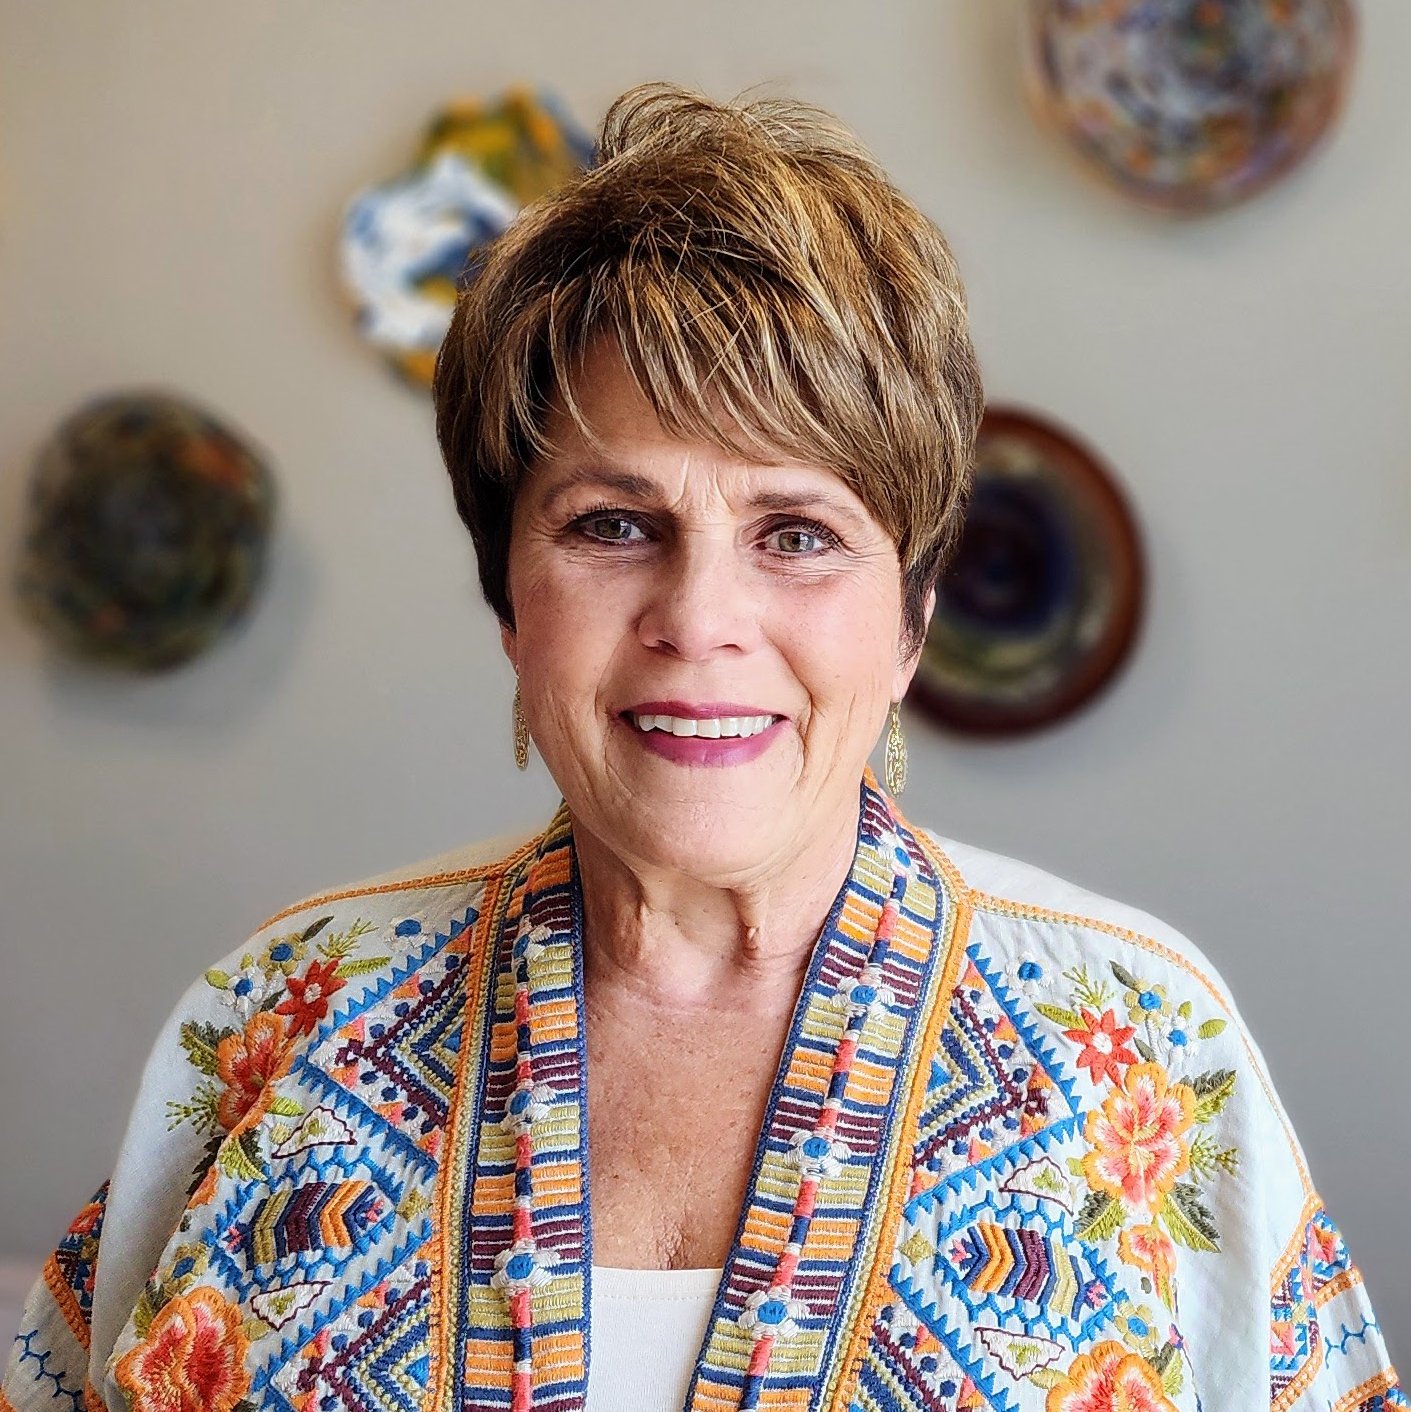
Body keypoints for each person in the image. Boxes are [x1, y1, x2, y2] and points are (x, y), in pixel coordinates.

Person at [3, 82, 1399, 1412]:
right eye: (613, 525)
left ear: (911, 620)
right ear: (510, 602)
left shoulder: (1144, 1041)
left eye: (797, 533)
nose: (699, 620)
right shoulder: (278, 1015)